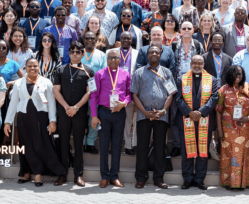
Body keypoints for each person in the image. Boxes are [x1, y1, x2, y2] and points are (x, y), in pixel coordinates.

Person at [3, 58, 66, 186]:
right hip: (23, 118)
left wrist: (52, 121)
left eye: (35, 66)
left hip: (40, 117)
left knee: (39, 145)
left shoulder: (46, 82)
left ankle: (38, 174)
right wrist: (7, 122)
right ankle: (26, 172)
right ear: (25, 67)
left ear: (39, 67)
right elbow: (13, 103)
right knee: (25, 146)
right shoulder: (19, 83)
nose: (33, 68)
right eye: (30, 66)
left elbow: (51, 103)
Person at [131, 45, 175, 189]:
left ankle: (158, 178)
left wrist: (163, 111)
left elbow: (171, 94)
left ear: (160, 54)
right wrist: (144, 111)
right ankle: (141, 178)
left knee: (159, 147)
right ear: (147, 55)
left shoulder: (166, 72)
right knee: (142, 147)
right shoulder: (139, 72)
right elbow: (134, 94)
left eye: (157, 51)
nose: (154, 54)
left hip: (161, 116)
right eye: (151, 52)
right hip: (144, 116)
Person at [53, 41, 93, 187]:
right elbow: (56, 90)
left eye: (78, 51)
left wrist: (75, 108)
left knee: (78, 145)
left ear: (83, 54)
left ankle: (78, 175)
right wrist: (66, 107)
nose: (75, 54)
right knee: (62, 144)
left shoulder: (89, 71)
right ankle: (61, 174)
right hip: (63, 113)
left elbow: (90, 92)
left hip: (80, 113)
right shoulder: (60, 70)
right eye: (72, 51)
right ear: (68, 53)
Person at [176, 54, 219, 190]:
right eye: (194, 63)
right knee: (186, 150)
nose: (197, 65)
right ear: (190, 63)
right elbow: (178, 98)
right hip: (186, 119)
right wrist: (190, 112)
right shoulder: (181, 79)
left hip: (204, 120)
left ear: (203, 64)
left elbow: (214, 98)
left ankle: (200, 179)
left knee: (203, 151)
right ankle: (187, 179)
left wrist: (201, 112)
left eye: (200, 63)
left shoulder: (212, 80)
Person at [90, 50, 131, 188]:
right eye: (111, 57)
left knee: (117, 145)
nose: (113, 60)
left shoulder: (125, 74)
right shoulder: (99, 74)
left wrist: (124, 103)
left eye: (116, 58)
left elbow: (129, 94)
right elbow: (94, 96)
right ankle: (104, 177)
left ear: (120, 60)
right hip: (104, 113)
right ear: (107, 59)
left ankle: (114, 176)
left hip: (119, 113)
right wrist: (94, 116)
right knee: (103, 144)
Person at [214, 64, 249, 190]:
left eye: (239, 74)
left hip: (245, 128)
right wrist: (219, 130)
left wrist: (247, 118)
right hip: (227, 128)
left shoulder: (248, 89)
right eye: (235, 73)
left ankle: (243, 182)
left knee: (243, 154)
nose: (237, 76)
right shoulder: (223, 90)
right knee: (228, 155)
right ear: (230, 75)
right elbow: (218, 110)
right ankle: (230, 182)